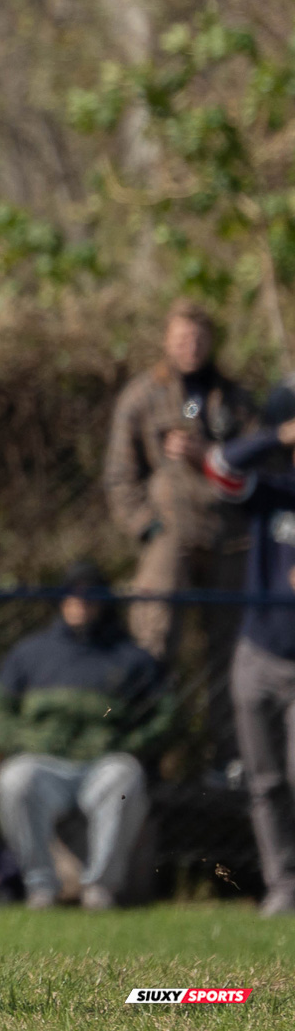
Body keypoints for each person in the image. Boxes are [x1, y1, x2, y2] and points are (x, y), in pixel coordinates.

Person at [104, 299, 254, 760]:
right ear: (166, 341)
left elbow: (260, 465)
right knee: (153, 639)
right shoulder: (143, 395)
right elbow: (118, 475)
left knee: (230, 653)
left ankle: (228, 758)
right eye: (182, 338)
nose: (191, 347)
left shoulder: (234, 398)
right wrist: (147, 528)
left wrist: (208, 454)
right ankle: (142, 757)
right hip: (169, 536)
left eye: (200, 338)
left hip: (230, 539)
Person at [0, 563, 172, 911]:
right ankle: (41, 886)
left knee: (126, 775)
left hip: (103, 764)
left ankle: (100, 889)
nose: (79, 603)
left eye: (89, 595)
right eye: (71, 594)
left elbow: (166, 715)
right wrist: (22, 742)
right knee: (13, 779)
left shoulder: (131, 658)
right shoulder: (31, 653)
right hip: (44, 763)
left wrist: (127, 744)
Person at [202, 385, 295, 916]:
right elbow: (219, 466)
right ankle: (283, 886)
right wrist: (276, 434)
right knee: (265, 781)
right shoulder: (272, 489)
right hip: (258, 653)